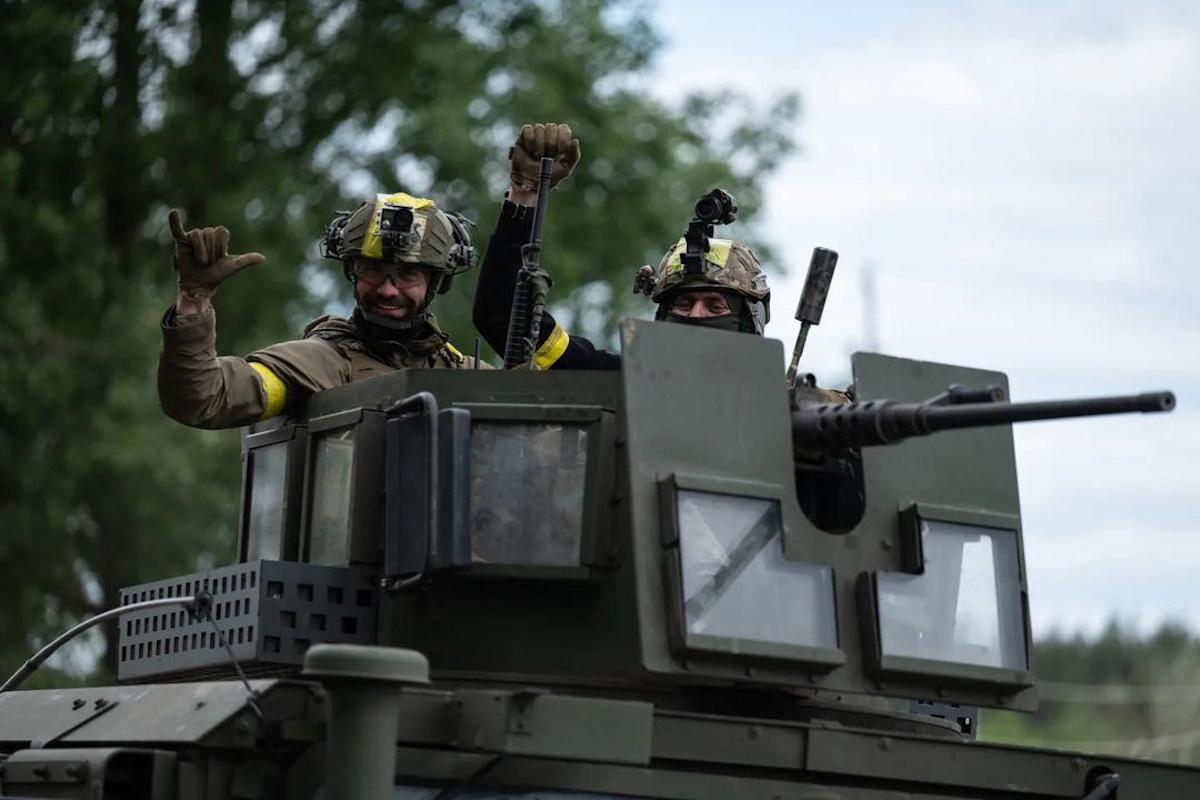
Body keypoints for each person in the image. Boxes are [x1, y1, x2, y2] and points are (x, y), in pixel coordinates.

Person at [159, 192, 481, 430]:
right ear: (352, 272)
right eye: (372, 270)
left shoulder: (464, 373)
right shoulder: (316, 366)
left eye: (407, 275)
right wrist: (194, 298)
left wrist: (522, 195)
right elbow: (202, 399)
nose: (387, 289)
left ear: (436, 282)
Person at [472, 124, 772, 371]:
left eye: (714, 305)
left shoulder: (788, 409)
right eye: (683, 304)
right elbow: (505, 317)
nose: (694, 315)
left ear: (749, 321)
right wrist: (527, 192)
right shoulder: (624, 385)